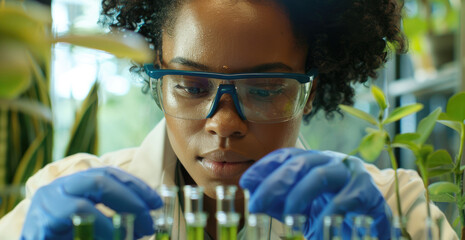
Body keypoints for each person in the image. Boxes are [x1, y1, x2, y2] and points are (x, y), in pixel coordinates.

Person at [0, 0, 458, 239]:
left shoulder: (397, 208)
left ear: (310, 88)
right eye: (191, 86)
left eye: (263, 89)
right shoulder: (61, 198)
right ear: (156, 77)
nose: (223, 123)